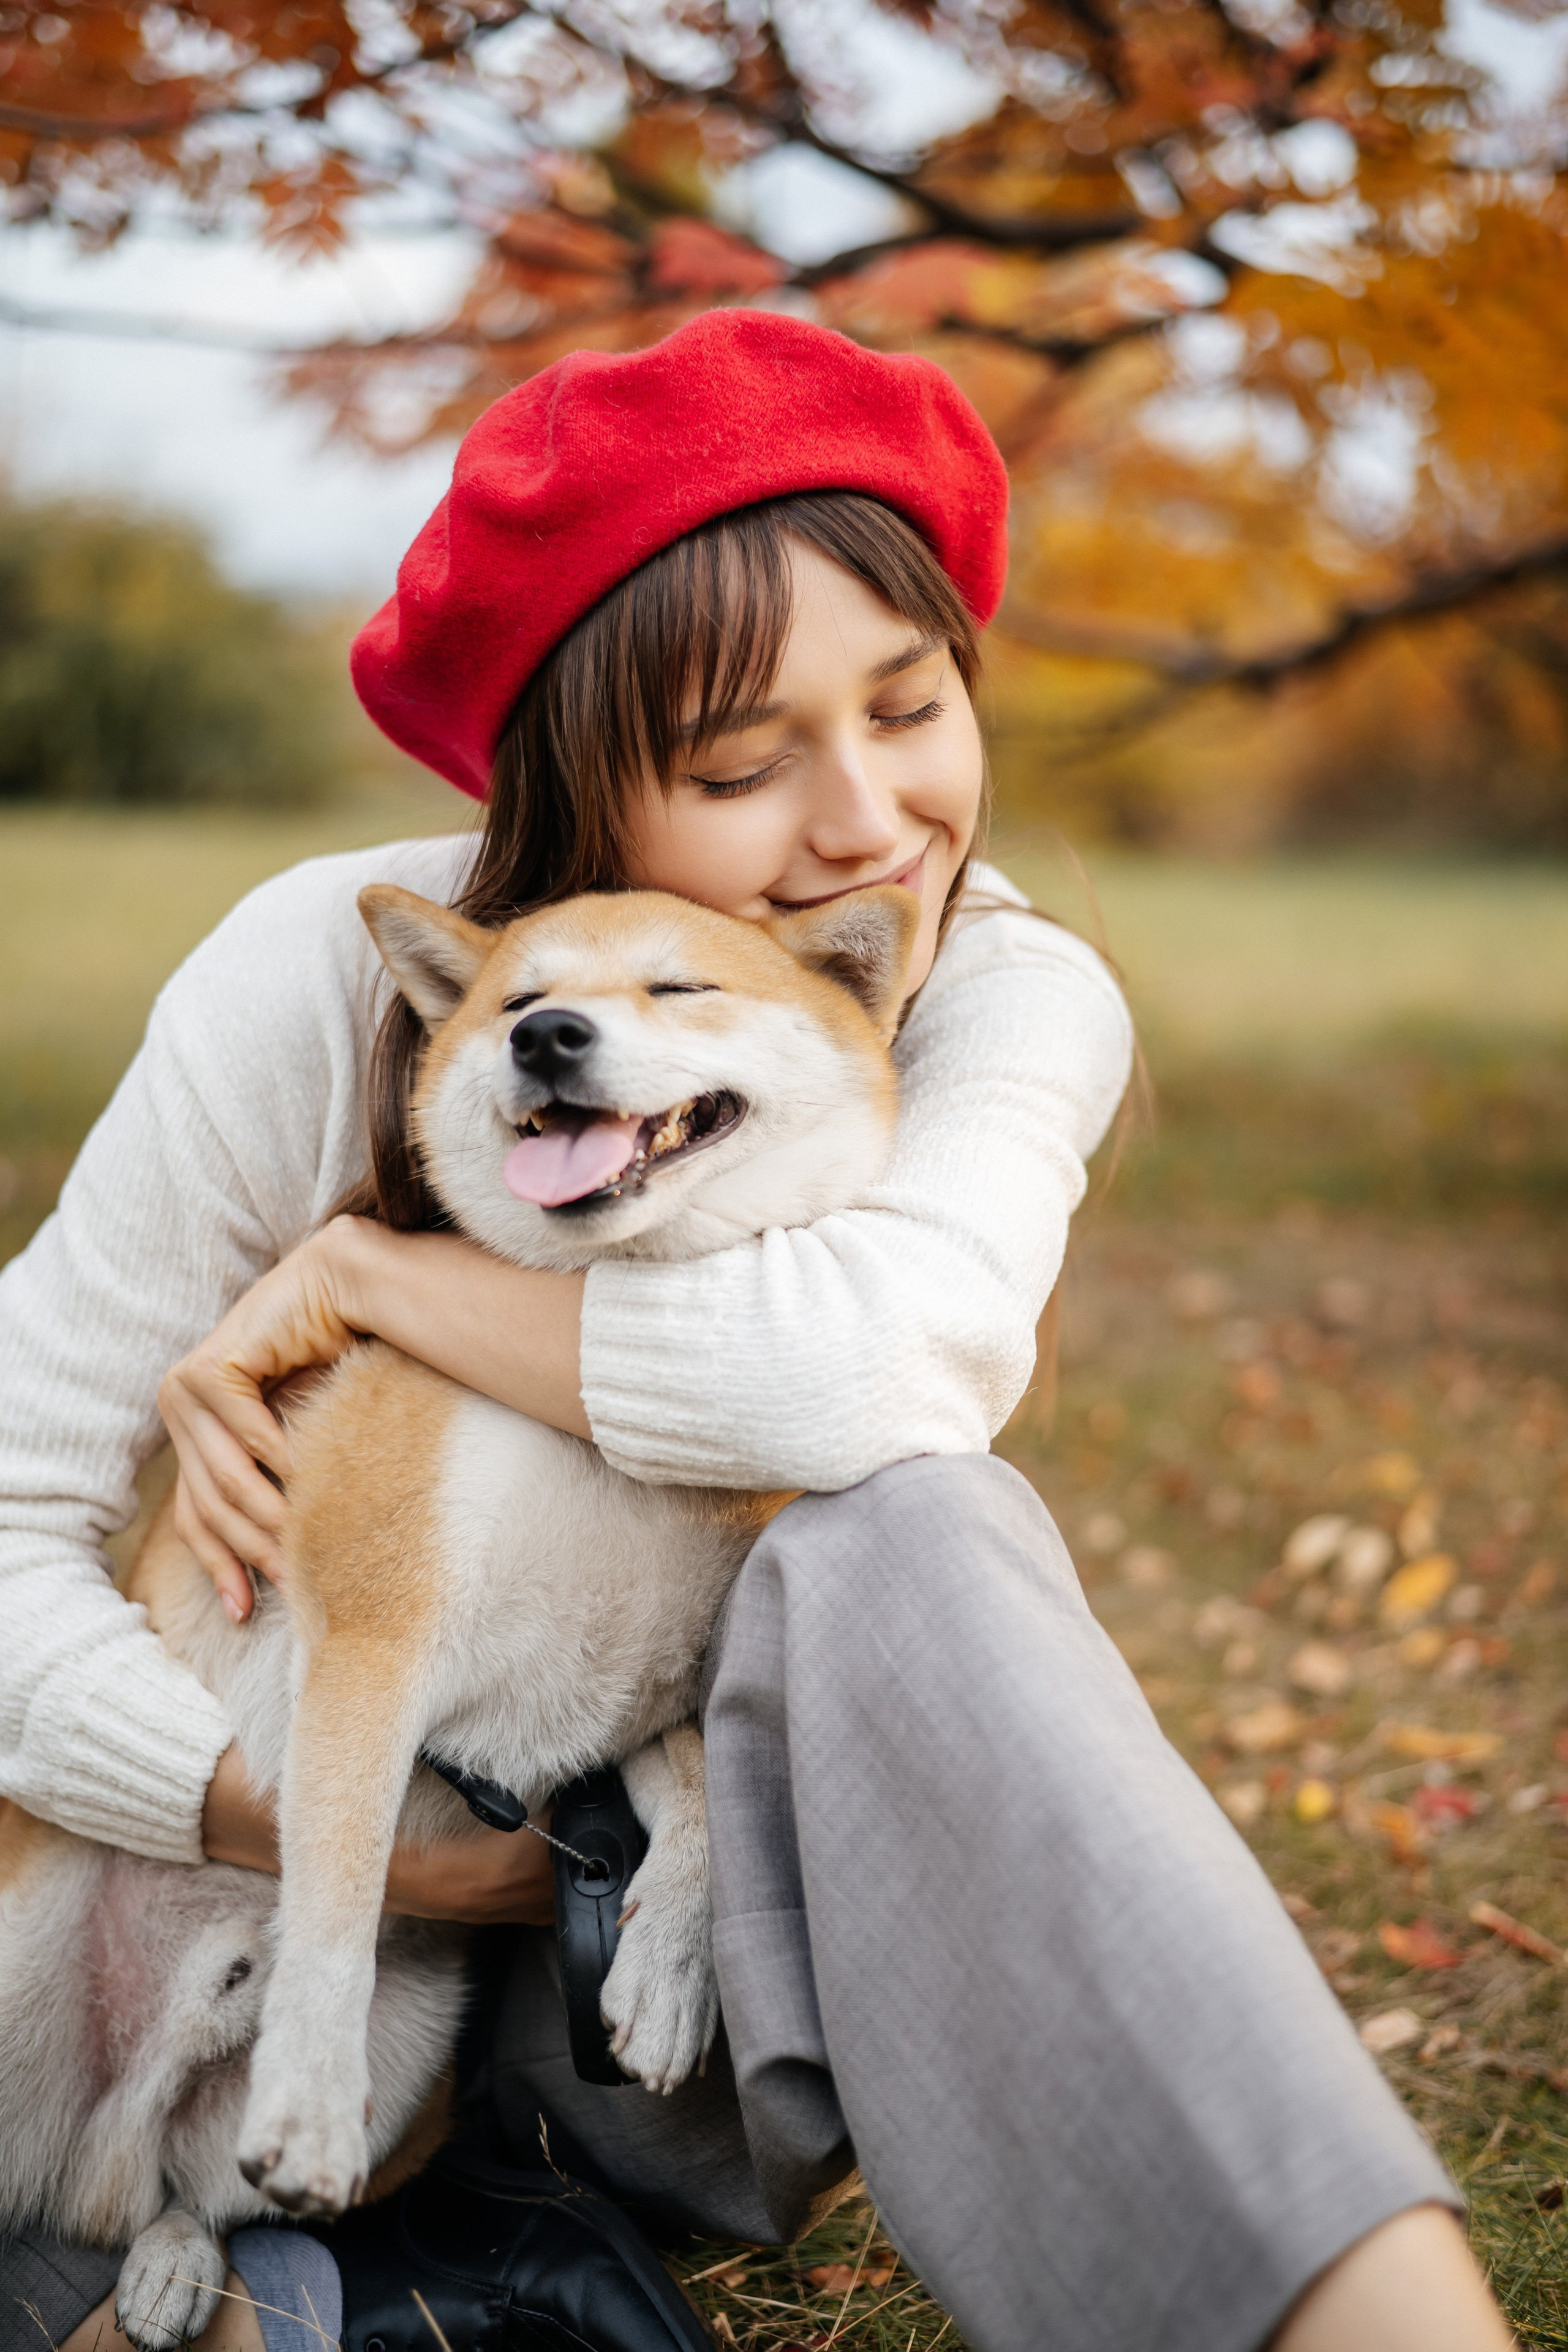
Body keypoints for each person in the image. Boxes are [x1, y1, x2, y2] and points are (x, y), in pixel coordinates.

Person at [0, 310, 1512, 2352]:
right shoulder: (310, 977)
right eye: (738, 764)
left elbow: (871, 1380)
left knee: (921, 1529)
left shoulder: (993, 986)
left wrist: (374, 1280)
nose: (874, 819)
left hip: (653, 1995)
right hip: (223, 1897)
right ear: (570, 785)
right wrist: (271, 1831)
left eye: (912, 704)